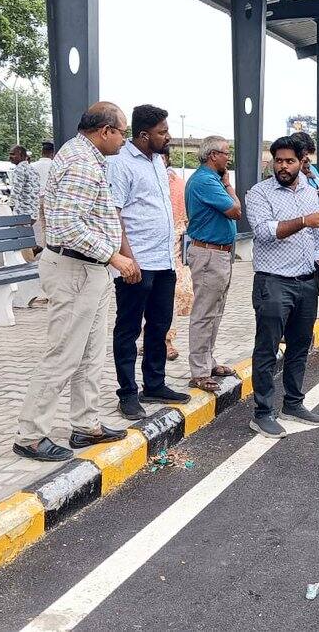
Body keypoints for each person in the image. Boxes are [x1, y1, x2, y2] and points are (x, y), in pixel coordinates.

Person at [12, 102, 139, 462]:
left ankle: (85, 425)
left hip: (88, 269)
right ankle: (30, 435)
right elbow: (68, 226)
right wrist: (114, 256)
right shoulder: (82, 163)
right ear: (105, 131)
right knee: (64, 355)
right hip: (75, 269)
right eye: (123, 133)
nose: (123, 140)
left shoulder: (84, 155)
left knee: (90, 354)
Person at [107, 105, 190, 421]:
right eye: (162, 132)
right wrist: (127, 260)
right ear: (143, 135)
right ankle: (127, 394)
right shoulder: (121, 164)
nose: (167, 137)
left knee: (159, 325)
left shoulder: (157, 161)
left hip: (164, 261)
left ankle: (154, 384)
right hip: (136, 264)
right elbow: (115, 216)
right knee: (128, 329)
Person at [244, 135, 319, 438]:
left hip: (306, 283)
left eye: (289, 161)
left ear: (301, 161)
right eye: (277, 160)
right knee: (267, 348)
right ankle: (263, 412)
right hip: (273, 282)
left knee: (299, 346)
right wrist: (304, 220)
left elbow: (317, 238)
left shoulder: (310, 192)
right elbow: (265, 233)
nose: (282, 166)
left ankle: (293, 403)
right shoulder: (259, 193)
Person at [185, 136, 242, 394]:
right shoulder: (206, 181)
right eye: (225, 153)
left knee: (216, 312)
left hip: (218, 254)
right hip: (209, 254)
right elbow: (235, 210)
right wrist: (229, 186)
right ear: (213, 156)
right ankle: (198, 371)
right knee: (204, 313)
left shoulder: (209, 180)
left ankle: (208, 362)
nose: (228, 158)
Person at [162, 149, 192, 362]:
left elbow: (187, 218)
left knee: (169, 293)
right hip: (146, 247)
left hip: (174, 245)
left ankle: (166, 339)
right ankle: (155, 339)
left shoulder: (177, 183)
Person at [31, 141, 56, 248]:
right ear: (52, 153)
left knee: (43, 225)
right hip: (51, 199)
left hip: (38, 198)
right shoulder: (55, 164)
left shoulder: (32, 166)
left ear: (42, 152)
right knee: (52, 226)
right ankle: (50, 248)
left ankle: (46, 248)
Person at [289, 130, 319, 198]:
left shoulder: (309, 167)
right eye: (304, 154)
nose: (304, 158)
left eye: (306, 154)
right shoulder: (280, 167)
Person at [8, 145, 40, 223]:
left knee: (17, 233)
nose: (10, 157)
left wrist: (9, 205)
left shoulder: (19, 169)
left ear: (21, 155)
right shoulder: (33, 169)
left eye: (13, 154)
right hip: (33, 213)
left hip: (22, 212)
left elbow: (16, 190)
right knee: (26, 234)